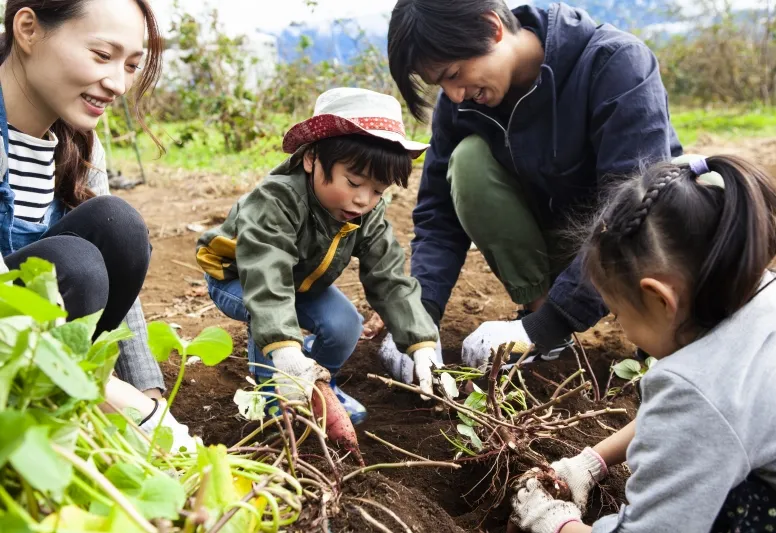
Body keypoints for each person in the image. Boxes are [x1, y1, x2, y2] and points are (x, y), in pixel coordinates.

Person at [379, 0, 682, 375]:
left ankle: (570, 328)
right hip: (554, 245)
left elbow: (633, 213)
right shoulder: (460, 104)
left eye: (454, 73)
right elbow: (438, 216)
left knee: (666, 202)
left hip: (636, 249)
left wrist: (547, 326)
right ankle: (544, 323)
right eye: (440, 84)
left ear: (492, 27)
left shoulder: (614, 63)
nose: (454, 94)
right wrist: (417, 319)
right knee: (468, 160)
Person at [510, 155, 776, 532]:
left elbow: (697, 409)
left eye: (617, 314)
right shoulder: (771, 299)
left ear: (660, 300)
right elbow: (708, 416)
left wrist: (554, 522)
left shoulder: (698, 390)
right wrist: (592, 461)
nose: (622, 329)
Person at [0, 0, 193, 451]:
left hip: (27, 342)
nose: (118, 83)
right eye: (102, 55)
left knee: (117, 225)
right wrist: (108, 394)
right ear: (27, 29)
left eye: (130, 66)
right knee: (74, 263)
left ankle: (56, 410)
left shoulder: (81, 143)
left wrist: (146, 396)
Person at [196, 88, 441, 424]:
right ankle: (273, 397)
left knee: (344, 325)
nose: (363, 200)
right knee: (272, 321)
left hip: (299, 280)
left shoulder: (367, 215)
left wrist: (422, 344)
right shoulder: (277, 201)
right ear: (311, 158)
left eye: (377, 190)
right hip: (238, 277)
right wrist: (284, 348)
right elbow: (267, 277)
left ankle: (321, 386)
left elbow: (390, 280)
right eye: (354, 182)